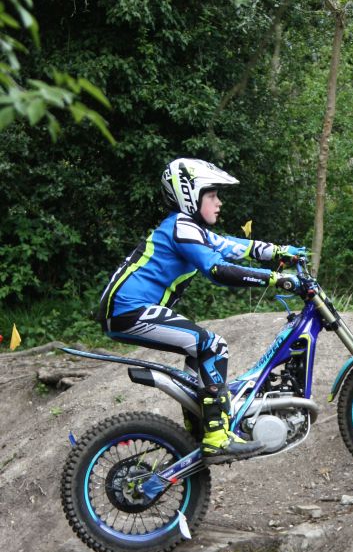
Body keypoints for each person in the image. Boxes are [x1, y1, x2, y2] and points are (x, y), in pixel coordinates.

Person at [97, 157, 306, 460]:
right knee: (213, 346)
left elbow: (233, 246)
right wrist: (276, 279)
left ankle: (196, 431)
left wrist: (278, 251)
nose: (219, 202)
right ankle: (217, 437)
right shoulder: (181, 227)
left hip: (126, 310)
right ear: (189, 196)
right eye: (212, 195)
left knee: (198, 357)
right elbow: (218, 270)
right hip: (128, 310)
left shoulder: (191, 230)